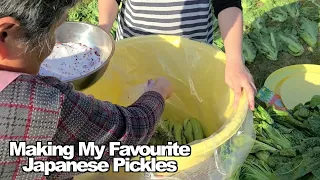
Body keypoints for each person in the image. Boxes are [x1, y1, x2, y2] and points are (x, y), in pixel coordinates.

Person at [0, 0, 173, 179]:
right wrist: (158, 91)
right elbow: (129, 133)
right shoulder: (43, 103)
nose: (52, 47)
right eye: (52, 32)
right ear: (5, 33)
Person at [98, 0, 257, 110]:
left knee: (191, 101)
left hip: (192, 54)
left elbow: (227, 4)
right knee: (133, 102)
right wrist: (102, 31)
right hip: (136, 50)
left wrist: (234, 59)